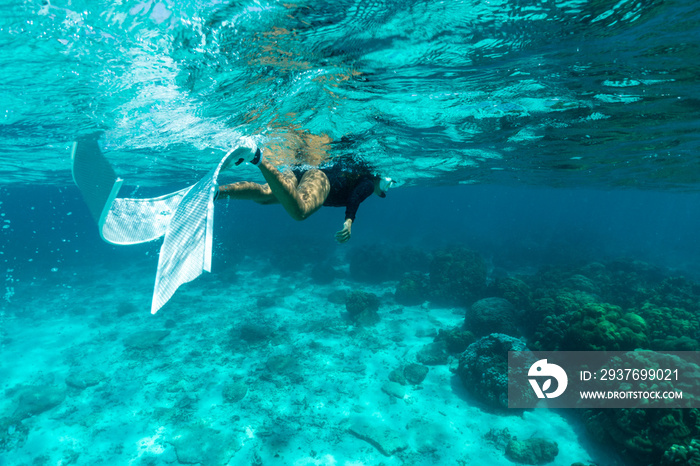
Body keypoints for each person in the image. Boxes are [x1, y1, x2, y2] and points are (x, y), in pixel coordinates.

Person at [216, 146, 394, 243]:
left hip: (301, 170)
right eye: (388, 185)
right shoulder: (370, 183)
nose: (385, 190)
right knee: (300, 211)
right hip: (319, 178)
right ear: (381, 177)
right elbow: (355, 197)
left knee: (266, 195)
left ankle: (218, 192)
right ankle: (257, 157)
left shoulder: (361, 175)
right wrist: (348, 223)